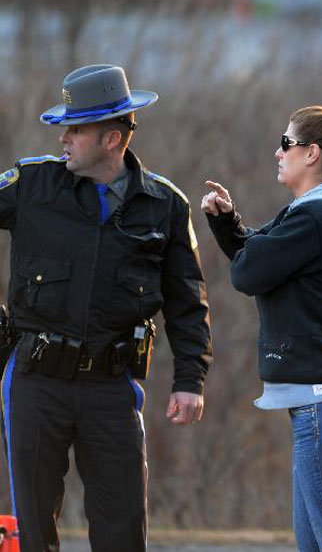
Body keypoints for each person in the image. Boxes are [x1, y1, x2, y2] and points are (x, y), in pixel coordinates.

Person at [0, 64, 213, 551]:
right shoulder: (31, 186)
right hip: (35, 381)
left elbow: (188, 303)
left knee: (122, 530)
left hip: (111, 387)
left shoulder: (164, 206)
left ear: (112, 137)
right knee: (33, 528)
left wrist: (189, 380)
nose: (64, 139)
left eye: (76, 129)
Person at [202, 105, 322, 551]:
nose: (277, 153)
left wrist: (237, 238)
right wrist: (229, 225)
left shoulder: (315, 216)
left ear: (311, 154)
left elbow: (248, 273)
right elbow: (260, 257)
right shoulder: (315, 212)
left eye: (286, 144)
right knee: (317, 545)